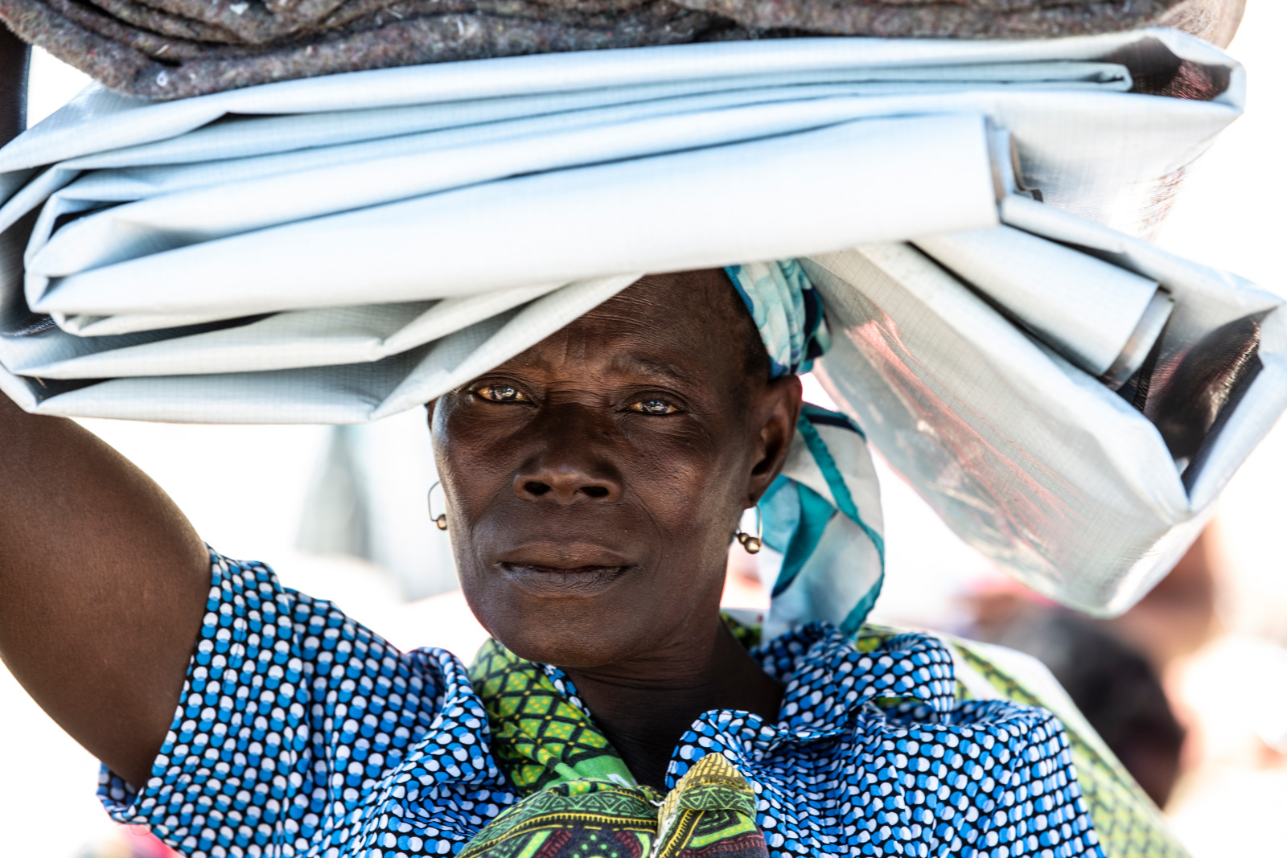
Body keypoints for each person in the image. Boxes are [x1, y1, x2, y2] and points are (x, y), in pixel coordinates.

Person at [0, 31, 1108, 858]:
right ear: (432, 423)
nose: (562, 458)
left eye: (652, 404)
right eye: (499, 389)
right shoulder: (341, 759)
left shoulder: (945, 783)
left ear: (764, 443)